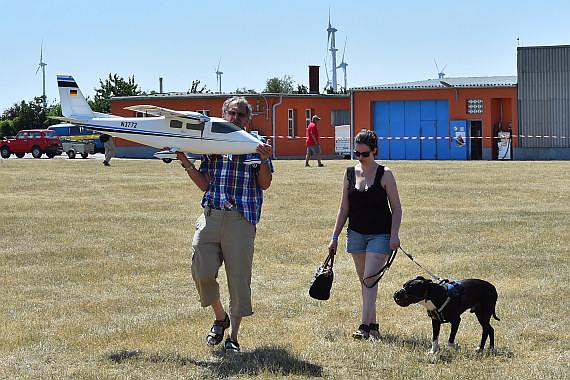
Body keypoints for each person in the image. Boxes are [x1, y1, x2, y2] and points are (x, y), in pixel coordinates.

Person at [176, 96, 274, 353]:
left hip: (241, 220)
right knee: (201, 270)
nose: (236, 118)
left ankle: (233, 336)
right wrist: (185, 161)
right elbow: (206, 183)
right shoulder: (212, 143)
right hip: (211, 215)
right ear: (224, 115)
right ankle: (220, 316)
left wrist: (264, 160)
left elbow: (264, 184)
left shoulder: (256, 145)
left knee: (238, 280)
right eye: (232, 113)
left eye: (241, 115)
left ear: (248, 119)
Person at [328, 129, 402, 340]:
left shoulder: (385, 174)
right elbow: (343, 208)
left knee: (369, 280)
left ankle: (364, 327)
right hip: (356, 235)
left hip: (381, 235)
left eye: (365, 154)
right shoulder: (349, 173)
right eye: (357, 153)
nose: (360, 158)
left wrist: (394, 234)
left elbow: (396, 208)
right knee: (366, 283)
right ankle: (375, 325)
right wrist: (334, 237)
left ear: (375, 151)